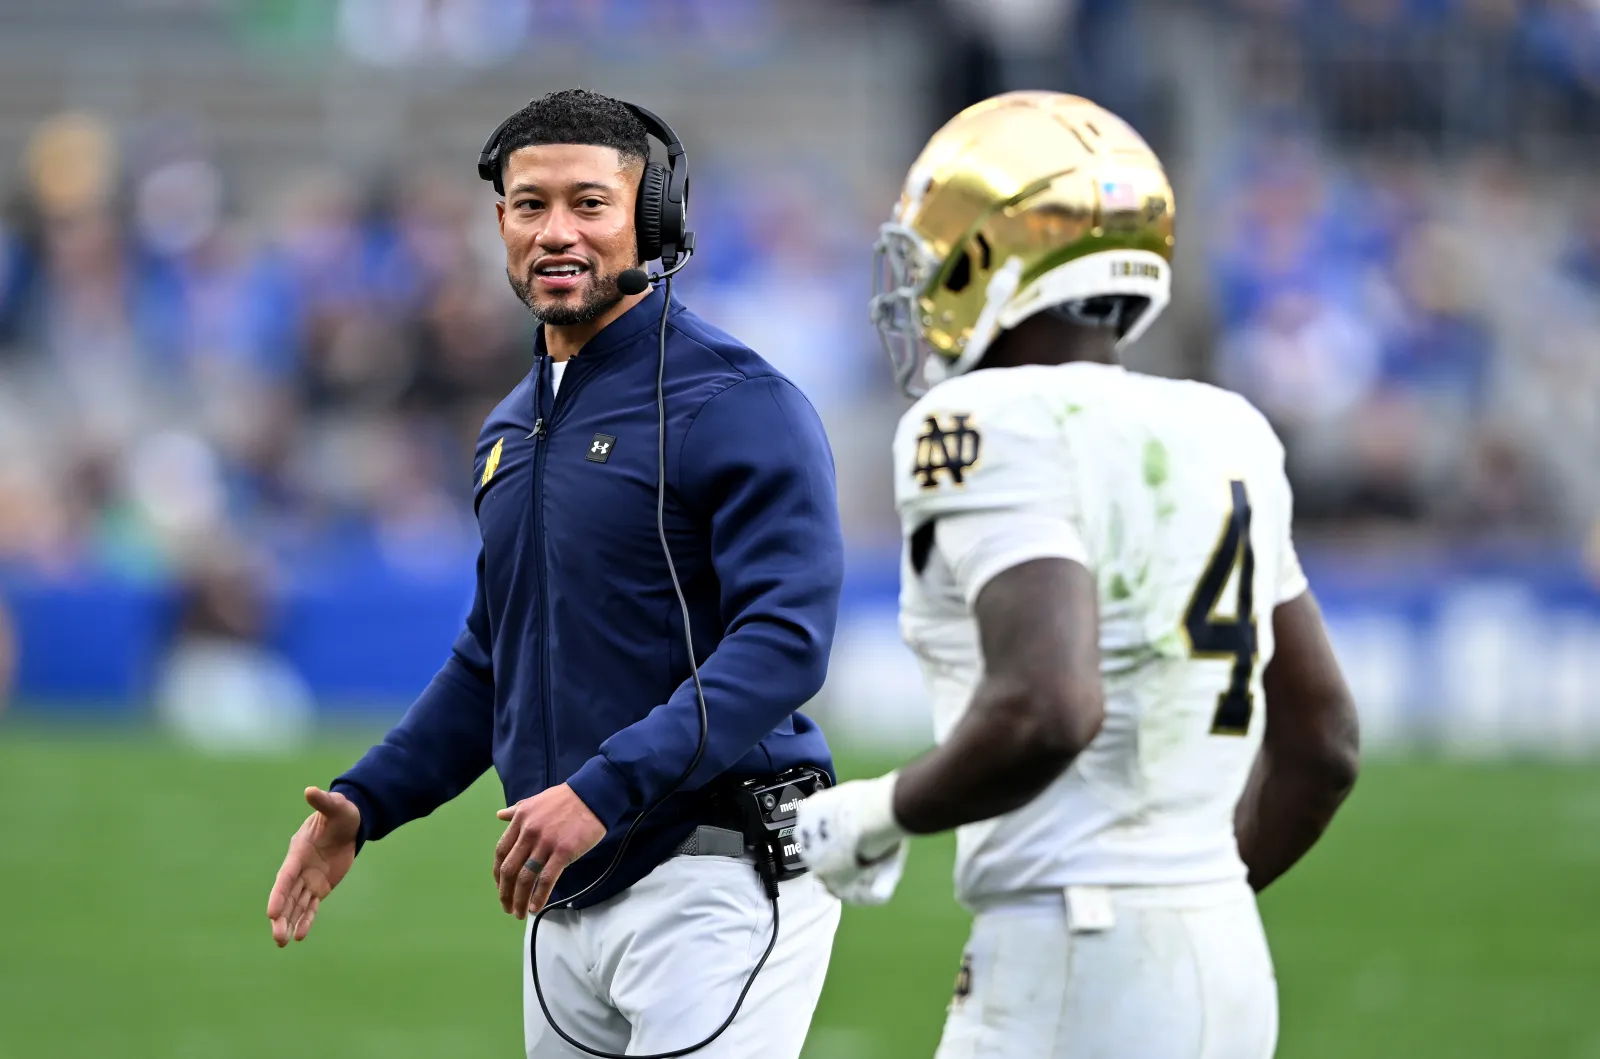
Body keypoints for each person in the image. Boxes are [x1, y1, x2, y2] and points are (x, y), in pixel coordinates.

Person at [265, 88, 845, 1059]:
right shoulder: (510, 422)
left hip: (712, 876)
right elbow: (494, 659)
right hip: (562, 897)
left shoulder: (739, 403)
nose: (555, 231)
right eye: (531, 205)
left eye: (589, 203)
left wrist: (602, 786)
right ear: (499, 223)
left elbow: (785, 646)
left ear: (652, 218)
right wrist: (366, 803)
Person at [796, 90, 1362, 1059]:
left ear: (987, 254)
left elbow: (1048, 706)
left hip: (1071, 947)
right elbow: (1322, 745)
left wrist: (873, 814)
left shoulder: (984, 422)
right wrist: (1184, 900)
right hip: (1225, 957)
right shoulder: (1228, 426)